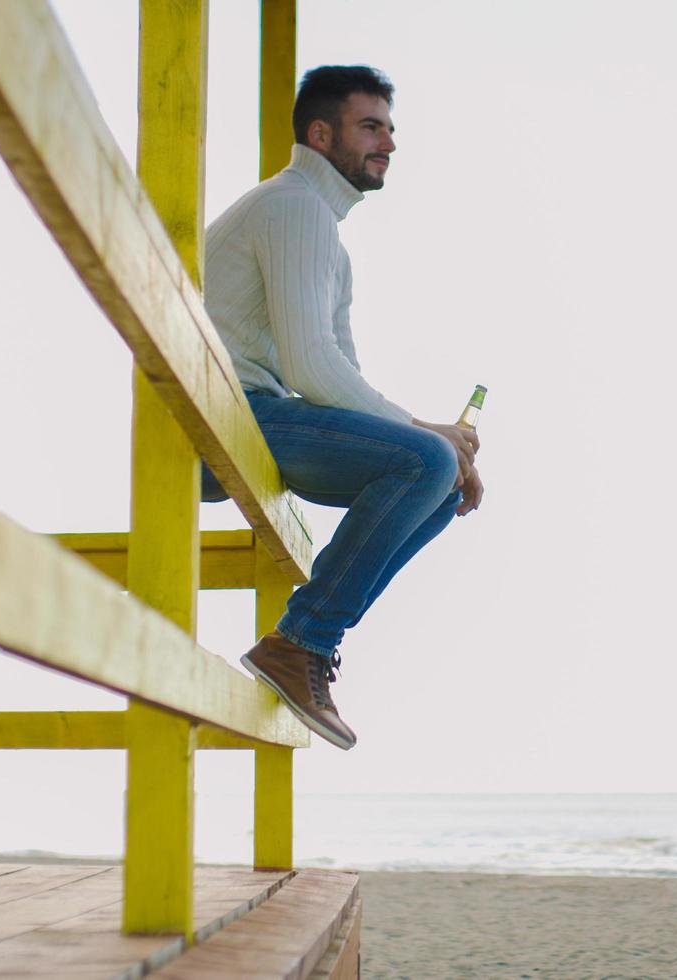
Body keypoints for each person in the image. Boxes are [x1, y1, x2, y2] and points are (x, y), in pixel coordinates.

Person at [199, 65, 482, 750]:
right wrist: (429, 436)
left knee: (438, 482)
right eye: (370, 126)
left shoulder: (321, 230)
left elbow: (338, 371)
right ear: (320, 133)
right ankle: (301, 642)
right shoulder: (291, 207)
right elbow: (310, 368)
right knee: (427, 459)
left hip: (255, 420)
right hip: (224, 420)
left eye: (389, 128)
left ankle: (306, 644)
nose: (388, 142)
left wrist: (443, 454)